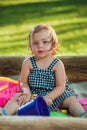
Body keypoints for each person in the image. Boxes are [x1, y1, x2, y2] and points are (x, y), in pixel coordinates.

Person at [0, 24, 87, 117]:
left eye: (45, 42)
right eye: (35, 43)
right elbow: (23, 82)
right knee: (17, 97)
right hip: (34, 95)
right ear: (30, 46)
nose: (40, 46)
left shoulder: (57, 64)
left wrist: (49, 97)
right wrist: (26, 92)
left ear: (53, 44)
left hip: (55, 96)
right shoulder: (28, 63)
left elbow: (61, 87)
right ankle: (4, 113)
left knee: (71, 99)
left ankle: (82, 114)